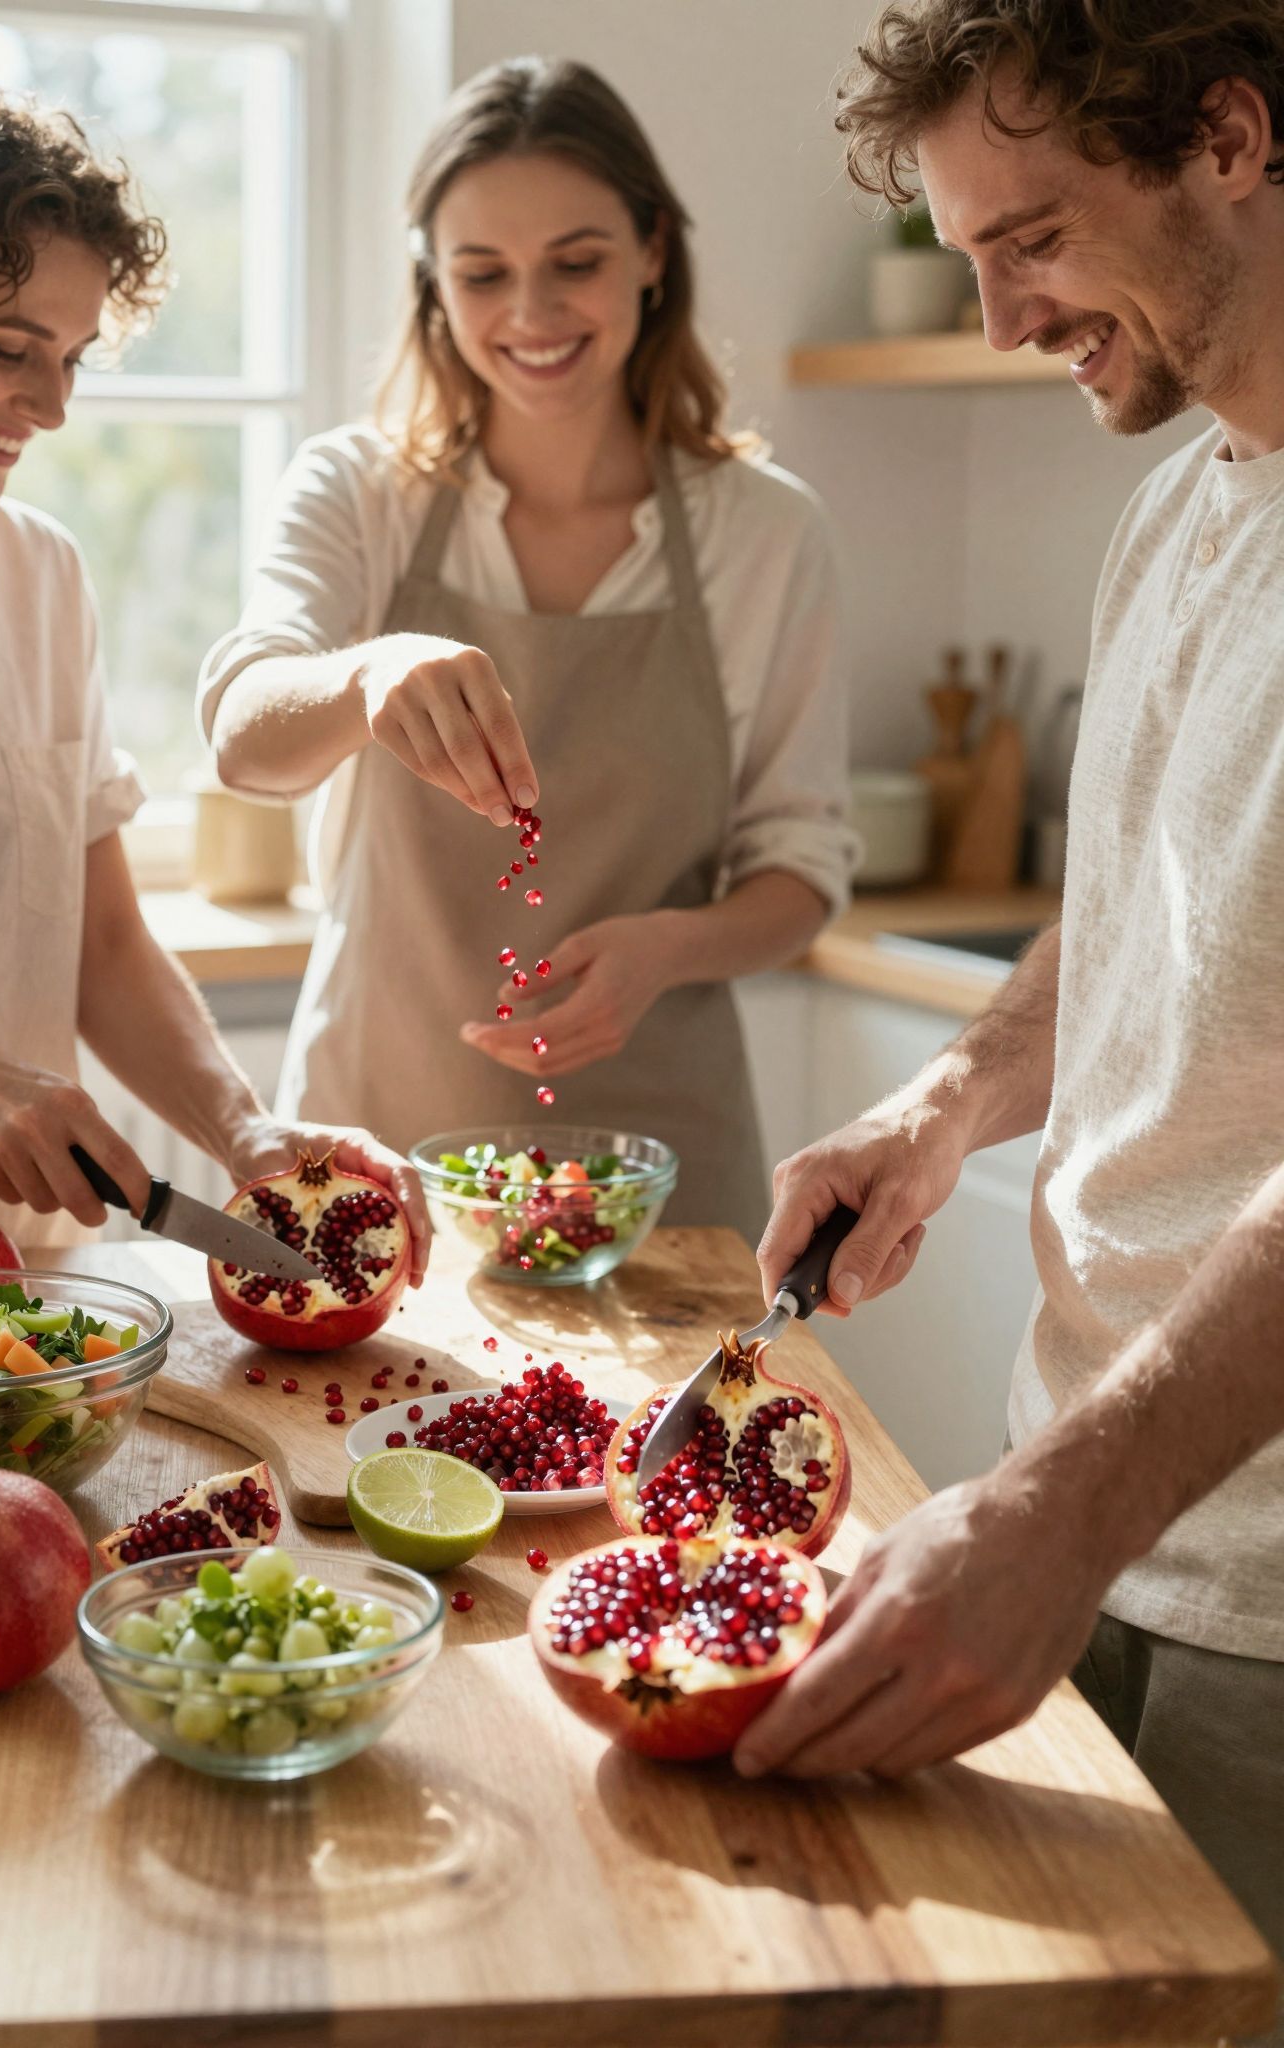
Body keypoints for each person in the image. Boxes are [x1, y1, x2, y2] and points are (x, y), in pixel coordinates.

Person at [733, 0, 1284, 2015]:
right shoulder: (1190, 498)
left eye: (1033, 238)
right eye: (968, 257)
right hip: (1097, 1505)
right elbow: (1139, 922)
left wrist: (1058, 1511)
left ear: (1229, 135)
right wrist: (948, 1100)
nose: (997, 315)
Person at [0, 74, 428, 1298]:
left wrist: (245, 1132)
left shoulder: (45, 578)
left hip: (35, 1307)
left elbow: (104, 940)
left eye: (70, 358)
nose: (54, 405)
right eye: (11, 350)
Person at [200, 57, 858, 1240]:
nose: (532, 314)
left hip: (665, 1173)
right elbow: (244, 734)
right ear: (432, 283)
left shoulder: (768, 533)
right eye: (483, 272)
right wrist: (366, 674)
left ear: (653, 249)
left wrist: (669, 949)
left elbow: (800, 870)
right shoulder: (360, 494)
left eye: (577, 261)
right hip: (374, 1144)